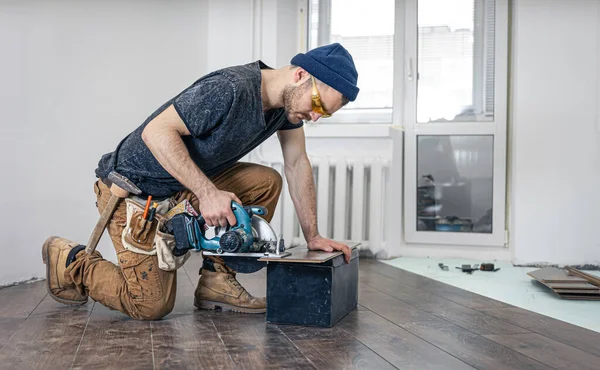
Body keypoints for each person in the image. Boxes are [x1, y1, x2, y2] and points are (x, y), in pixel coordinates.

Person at [41, 43, 359, 320]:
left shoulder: (284, 109)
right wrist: (207, 193)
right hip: (136, 192)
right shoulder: (231, 89)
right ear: (300, 75)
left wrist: (313, 235)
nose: (315, 117)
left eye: (324, 114)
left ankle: (216, 281)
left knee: (266, 181)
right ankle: (69, 260)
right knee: (149, 306)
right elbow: (156, 132)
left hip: (180, 189)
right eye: (317, 105)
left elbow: (296, 162)